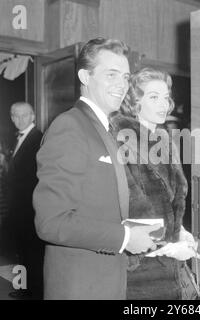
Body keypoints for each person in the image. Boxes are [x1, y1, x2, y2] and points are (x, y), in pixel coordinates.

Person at [33, 38, 160, 300]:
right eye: (111, 74)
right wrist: (125, 237)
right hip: (80, 287)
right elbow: (50, 222)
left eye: (125, 77)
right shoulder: (70, 126)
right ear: (85, 76)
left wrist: (137, 229)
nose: (122, 85)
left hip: (105, 280)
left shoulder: (103, 128)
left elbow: (97, 201)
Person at [110, 67, 200, 300]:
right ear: (135, 102)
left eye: (166, 97)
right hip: (140, 267)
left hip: (167, 262)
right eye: (153, 97)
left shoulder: (164, 139)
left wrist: (180, 231)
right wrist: (169, 247)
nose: (163, 104)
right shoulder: (122, 141)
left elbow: (171, 198)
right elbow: (130, 208)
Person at [6, 102, 44, 299]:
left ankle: (34, 294)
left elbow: (36, 178)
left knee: (32, 255)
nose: (19, 120)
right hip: (19, 210)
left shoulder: (38, 139)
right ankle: (24, 289)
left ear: (33, 116)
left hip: (30, 211)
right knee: (22, 253)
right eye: (15, 116)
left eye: (23, 115)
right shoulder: (19, 139)